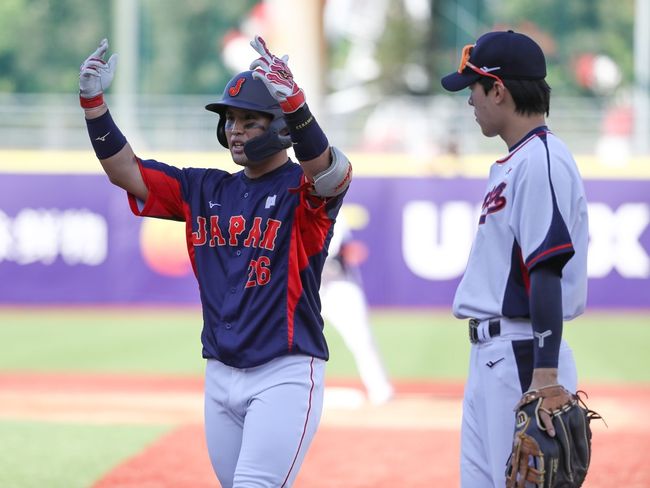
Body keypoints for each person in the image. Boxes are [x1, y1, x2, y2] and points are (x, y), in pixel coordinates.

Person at [79, 35, 352, 488]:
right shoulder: (204, 188)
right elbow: (123, 170)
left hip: (283, 370)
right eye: (230, 120)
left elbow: (331, 174)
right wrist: (93, 106)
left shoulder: (300, 191)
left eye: (250, 120)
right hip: (220, 373)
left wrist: (298, 107)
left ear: (281, 126)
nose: (236, 130)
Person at [440, 30, 588, 487]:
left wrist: (544, 377)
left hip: (523, 354)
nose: (470, 102)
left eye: (474, 89)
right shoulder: (518, 160)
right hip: (495, 355)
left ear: (498, 89)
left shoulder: (541, 158)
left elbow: (545, 266)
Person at [320, 214, 394, 405]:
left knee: (361, 339)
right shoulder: (291, 206)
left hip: (339, 286)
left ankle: (380, 390)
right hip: (307, 286)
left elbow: (330, 255)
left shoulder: (333, 211)